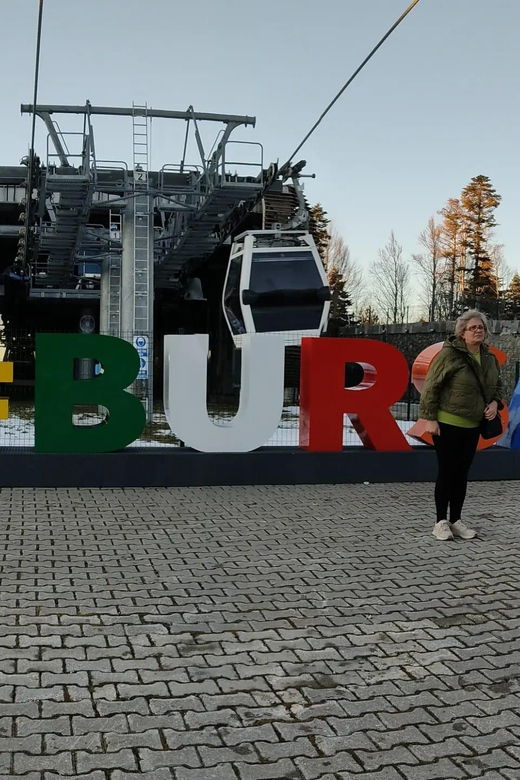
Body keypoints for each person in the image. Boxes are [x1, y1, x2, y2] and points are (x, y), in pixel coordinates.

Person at [419, 309, 503, 541]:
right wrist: (430, 418)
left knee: (462, 474)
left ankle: (456, 520)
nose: (478, 330)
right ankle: (440, 522)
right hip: (447, 423)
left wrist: (495, 402)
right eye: (473, 327)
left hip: (473, 425)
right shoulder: (450, 355)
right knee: (447, 472)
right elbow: (431, 387)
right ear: (462, 333)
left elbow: (497, 385)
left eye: (481, 327)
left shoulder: (489, 358)